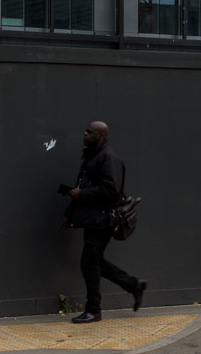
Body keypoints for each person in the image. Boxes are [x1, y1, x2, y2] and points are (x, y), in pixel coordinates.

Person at [58, 120, 147, 323]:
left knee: (89, 263)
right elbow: (80, 188)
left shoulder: (108, 158)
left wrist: (82, 194)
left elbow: (110, 190)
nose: (84, 134)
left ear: (101, 136)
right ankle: (134, 285)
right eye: (85, 130)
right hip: (94, 219)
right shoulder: (92, 156)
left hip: (103, 220)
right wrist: (69, 213)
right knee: (94, 262)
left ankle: (94, 310)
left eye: (89, 132)